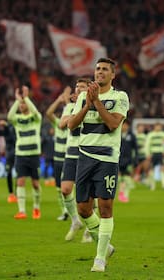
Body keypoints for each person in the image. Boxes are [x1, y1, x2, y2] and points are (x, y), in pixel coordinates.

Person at [68, 58, 129, 272]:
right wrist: (87, 105)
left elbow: (113, 124)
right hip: (84, 157)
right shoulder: (85, 96)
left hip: (107, 159)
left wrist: (97, 103)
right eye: (97, 69)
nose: (99, 72)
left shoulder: (120, 97)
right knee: (83, 209)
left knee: (105, 208)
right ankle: (106, 245)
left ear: (113, 75)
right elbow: (71, 125)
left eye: (104, 70)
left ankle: (100, 258)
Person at [59, 78, 92, 242]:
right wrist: (75, 110)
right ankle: (75, 221)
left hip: (87, 153)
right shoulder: (70, 106)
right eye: (77, 87)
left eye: (82, 87)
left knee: (88, 195)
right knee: (65, 190)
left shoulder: (93, 106)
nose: (78, 89)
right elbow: (62, 124)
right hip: (71, 154)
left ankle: (89, 229)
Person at [7, 85, 42, 219]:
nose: (22, 105)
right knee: (20, 182)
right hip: (21, 155)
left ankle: (36, 208)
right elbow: (9, 116)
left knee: (35, 184)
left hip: (33, 155)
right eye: (20, 104)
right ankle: (22, 211)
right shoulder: (17, 119)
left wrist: (26, 98)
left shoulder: (35, 118)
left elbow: (36, 112)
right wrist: (17, 100)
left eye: (23, 103)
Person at [45, 86, 71, 221]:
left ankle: (72, 211)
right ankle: (65, 211)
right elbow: (49, 113)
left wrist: (66, 100)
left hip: (69, 159)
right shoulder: (57, 124)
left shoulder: (73, 125)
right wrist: (58, 100)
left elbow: (72, 111)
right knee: (57, 188)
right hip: (57, 159)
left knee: (69, 188)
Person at [0, 119, 17, 203]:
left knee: (19, 174)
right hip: (9, 155)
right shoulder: (5, 130)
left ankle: (17, 194)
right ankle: (11, 193)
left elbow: (13, 137)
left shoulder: (14, 128)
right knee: (8, 173)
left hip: (17, 153)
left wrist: (6, 125)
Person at [144, 123, 164, 191]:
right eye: (157, 126)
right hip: (153, 153)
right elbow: (147, 145)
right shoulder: (151, 135)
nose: (158, 128)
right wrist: (147, 154)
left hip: (161, 154)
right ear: (154, 127)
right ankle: (152, 186)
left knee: (163, 168)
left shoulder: (163, 134)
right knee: (151, 169)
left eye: (159, 126)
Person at [118, 120, 138, 202]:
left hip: (128, 160)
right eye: (123, 125)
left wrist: (135, 160)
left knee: (127, 177)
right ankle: (121, 193)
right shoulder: (117, 134)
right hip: (118, 159)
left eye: (125, 125)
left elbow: (135, 148)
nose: (124, 127)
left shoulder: (132, 136)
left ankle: (125, 195)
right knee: (119, 178)